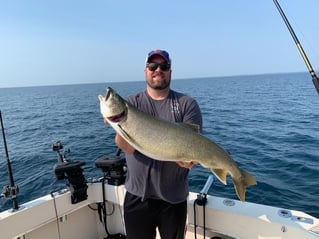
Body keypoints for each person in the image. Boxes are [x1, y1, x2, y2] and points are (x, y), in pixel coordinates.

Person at [104, 49, 202, 239]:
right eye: (152, 66)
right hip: (137, 196)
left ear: (170, 72)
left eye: (164, 66)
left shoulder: (187, 104)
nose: (158, 70)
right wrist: (119, 125)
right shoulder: (132, 103)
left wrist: (191, 160)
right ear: (145, 71)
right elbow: (129, 147)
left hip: (174, 198)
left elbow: (194, 144)